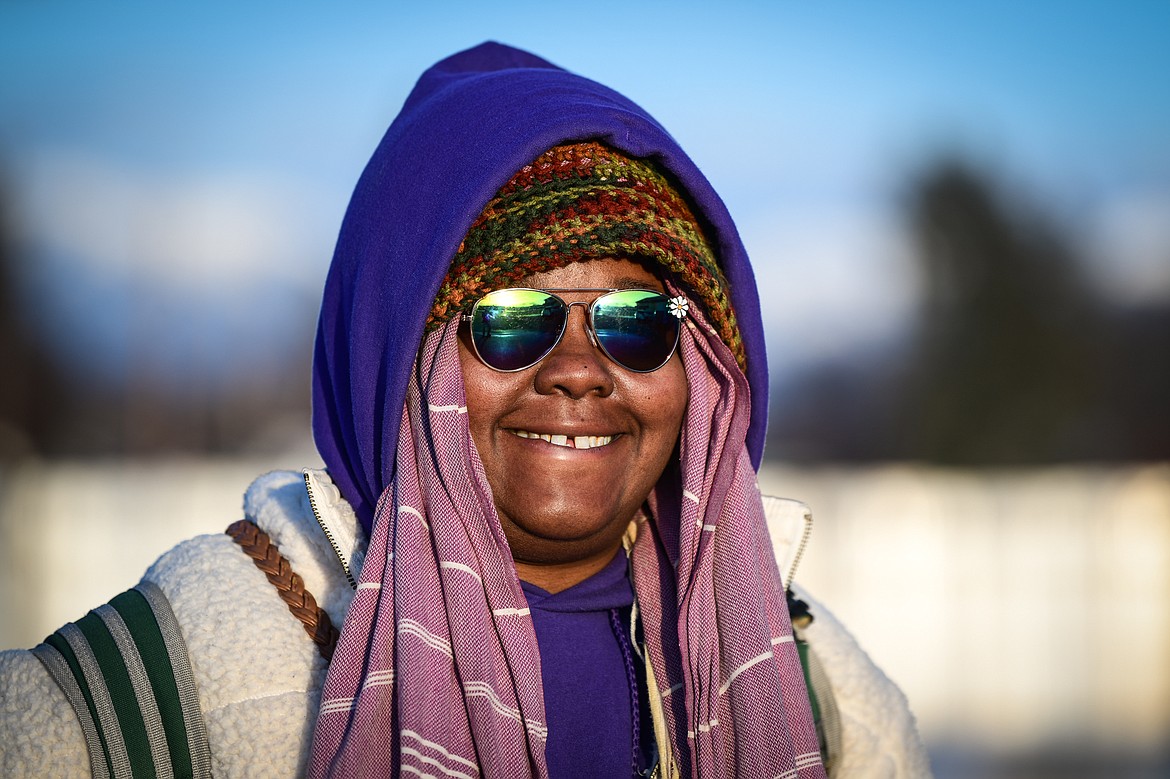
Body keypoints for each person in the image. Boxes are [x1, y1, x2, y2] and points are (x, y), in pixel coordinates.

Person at [0, 43, 928, 778]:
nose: (580, 371)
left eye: (638, 320)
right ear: (398, 361)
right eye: (510, 319)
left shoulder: (820, 696)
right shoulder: (136, 703)